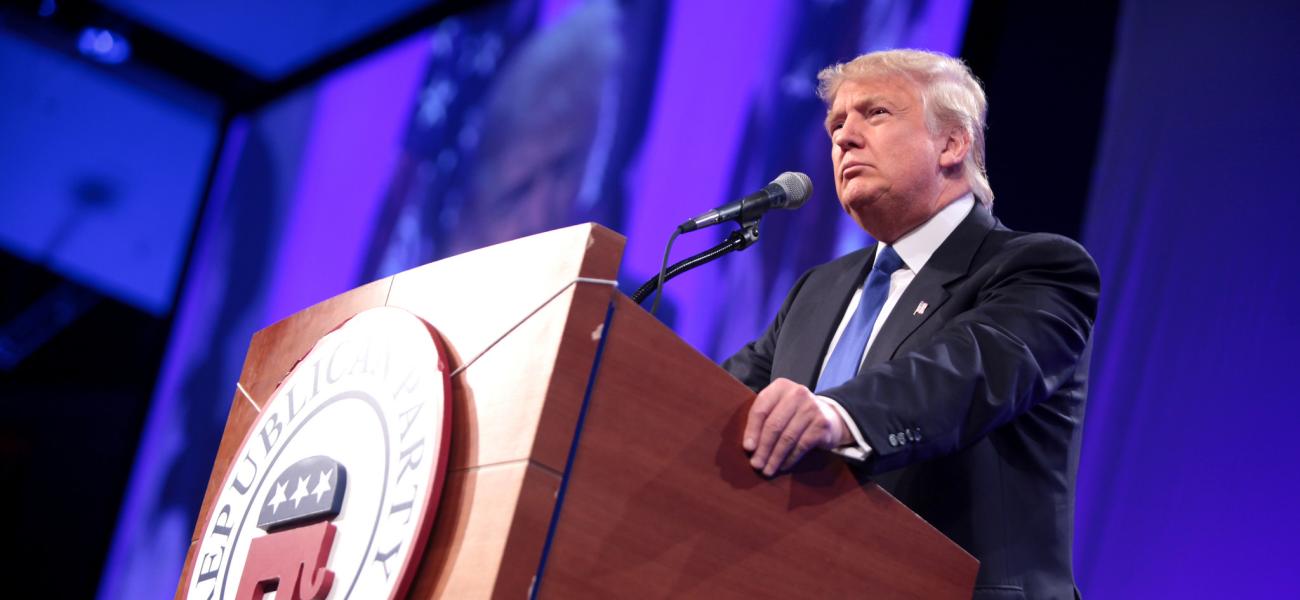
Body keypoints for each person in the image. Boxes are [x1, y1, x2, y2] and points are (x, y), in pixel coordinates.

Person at [723, 49, 1099, 599]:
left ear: (952, 143)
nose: (844, 138)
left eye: (874, 114)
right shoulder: (817, 291)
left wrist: (838, 415)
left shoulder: (1038, 269)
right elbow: (721, 400)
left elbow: (962, 374)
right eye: (836, 125)